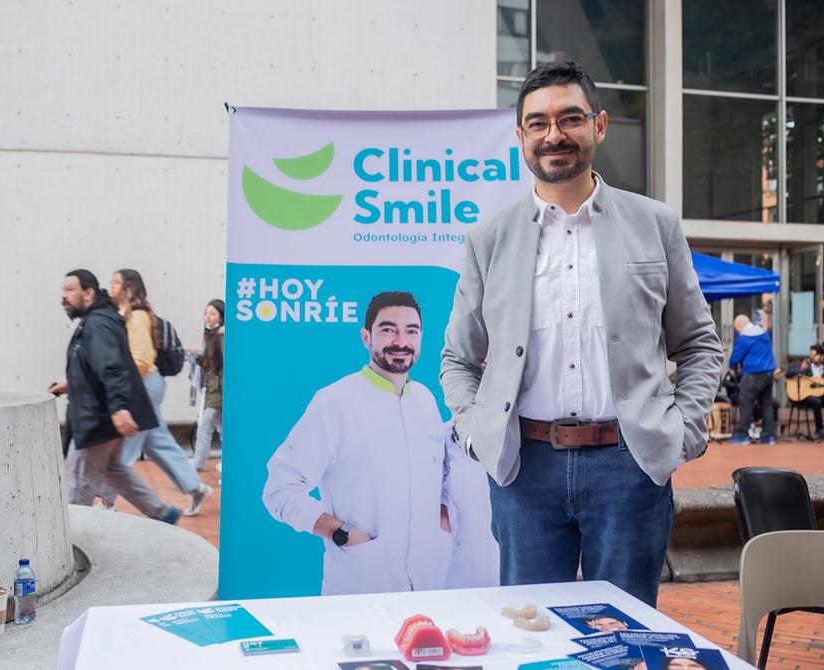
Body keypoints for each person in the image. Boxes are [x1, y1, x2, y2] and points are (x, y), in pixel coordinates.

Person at [440, 60, 723, 607]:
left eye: (570, 118)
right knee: (530, 632)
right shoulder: (488, 239)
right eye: (538, 123)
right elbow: (458, 359)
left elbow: (698, 345)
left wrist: (683, 432)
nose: (554, 135)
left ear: (599, 125)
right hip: (525, 469)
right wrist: (476, 433)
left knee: (626, 631)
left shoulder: (655, 224)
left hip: (630, 465)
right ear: (521, 136)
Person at [263, 291, 494, 595]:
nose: (401, 341)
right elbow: (279, 488)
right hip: (361, 585)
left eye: (411, 331)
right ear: (366, 337)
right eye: (388, 330)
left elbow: (436, 477)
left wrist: (441, 517)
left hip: (429, 587)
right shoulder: (334, 402)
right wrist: (341, 533)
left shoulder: (425, 401)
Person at [48, 269, 181, 524]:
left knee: (79, 478)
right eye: (63, 290)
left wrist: (119, 408)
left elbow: (112, 367)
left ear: (88, 293)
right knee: (112, 469)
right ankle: (163, 513)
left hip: (99, 417)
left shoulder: (97, 324)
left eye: (70, 290)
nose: (64, 296)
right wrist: (71, 385)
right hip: (106, 413)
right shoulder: (98, 320)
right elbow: (95, 366)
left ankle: (73, 535)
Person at [94, 269, 213, 516]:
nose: (111, 286)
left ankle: (106, 500)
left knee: (123, 444)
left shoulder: (137, 316)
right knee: (157, 442)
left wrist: (121, 386)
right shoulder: (128, 313)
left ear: (128, 287)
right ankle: (195, 487)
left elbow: (141, 358)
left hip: (141, 385)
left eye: (116, 282)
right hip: (147, 384)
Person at [728, 314, 777, 445]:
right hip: (769, 372)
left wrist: (732, 367)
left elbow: (736, 357)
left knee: (745, 401)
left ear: (739, 326)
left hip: (753, 374)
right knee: (767, 403)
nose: (738, 332)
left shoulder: (745, 337)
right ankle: (769, 435)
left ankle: (742, 435)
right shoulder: (764, 334)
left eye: (736, 329)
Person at [191, 299, 225, 471]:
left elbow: (226, 365)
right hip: (215, 391)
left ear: (222, 316)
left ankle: (198, 463)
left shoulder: (221, 336)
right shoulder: (213, 335)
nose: (208, 317)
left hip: (218, 392)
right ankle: (227, 462)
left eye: (212, 313)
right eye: (206, 313)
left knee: (205, 428)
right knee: (222, 430)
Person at [784, 343, 824, 440]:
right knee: (816, 401)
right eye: (811, 354)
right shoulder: (806, 366)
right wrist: (801, 368)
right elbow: (788, 374)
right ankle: (820, 429)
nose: (811, 357)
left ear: (822, 356)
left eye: (814, 355)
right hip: (806, 397)